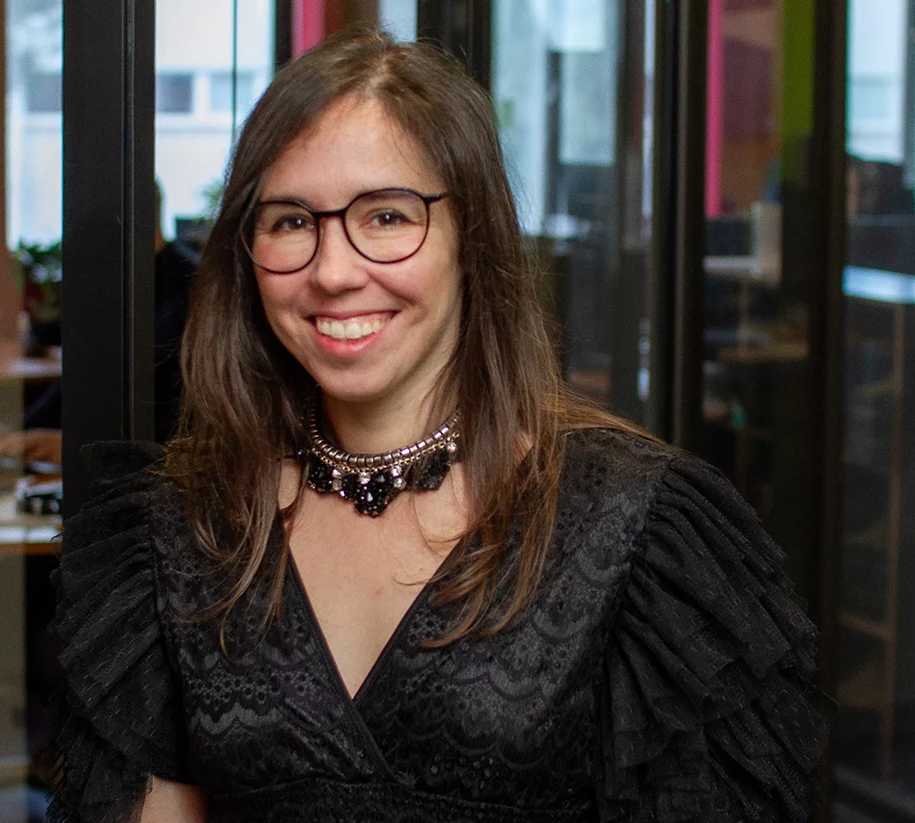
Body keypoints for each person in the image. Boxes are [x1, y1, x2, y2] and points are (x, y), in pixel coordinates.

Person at [47, 29, 825, 822]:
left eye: (386, 215)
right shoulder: (182, 531)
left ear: (474, 238)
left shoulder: (642, 533)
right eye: (289, 221)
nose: (333, 271)